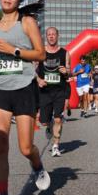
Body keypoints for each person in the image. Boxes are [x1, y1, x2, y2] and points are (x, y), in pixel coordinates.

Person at [0, 0, 51, 195]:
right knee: (0, 144)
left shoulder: (27, 22)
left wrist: (15, 51)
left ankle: (37, 166)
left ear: (20, 0)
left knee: (25, 147)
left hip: (24, 87)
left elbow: (41, 54)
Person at [35, 26, 70, 156]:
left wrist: (66, 72)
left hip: (59, 91)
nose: (51, 36)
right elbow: (32, 70)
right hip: (44, 91)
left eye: (53, 34)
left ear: (57, 36)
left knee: (57, 119)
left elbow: (69, 72)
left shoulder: (65, 53)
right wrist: (38, 80)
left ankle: (56, 145)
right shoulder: (40, 52)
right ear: (46, 36)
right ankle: (49, 126)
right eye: (49, 34)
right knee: (44, 121)